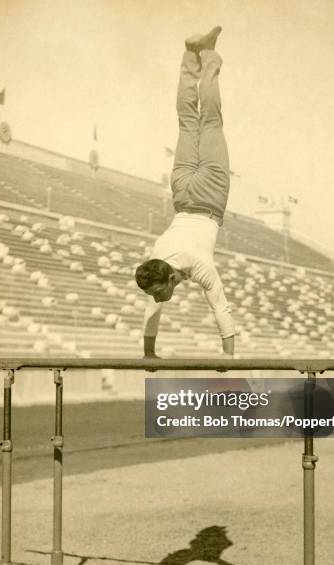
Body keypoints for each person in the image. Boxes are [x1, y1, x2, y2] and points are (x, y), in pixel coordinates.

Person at [135, 26, 235, 358]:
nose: (157, 298)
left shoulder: (198, 263)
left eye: (157, 293)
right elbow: (153, 310)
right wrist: (148, 354)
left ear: (167, 279)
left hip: (208, 196)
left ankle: (206, 55)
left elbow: (221, 309)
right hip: (182, 192)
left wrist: (229, 360)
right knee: (188, 123)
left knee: (209, 122)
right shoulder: (157, 256)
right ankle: (190, 55)